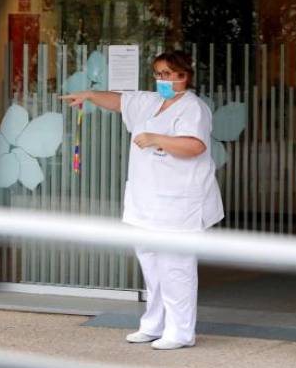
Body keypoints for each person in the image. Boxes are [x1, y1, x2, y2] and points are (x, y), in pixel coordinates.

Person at [60, 50, 224, 350]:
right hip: (145, 201)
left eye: (166, 74)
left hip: (179, 203)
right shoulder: (151, 101)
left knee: (176, 268)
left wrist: (157, 139)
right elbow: (120, 101)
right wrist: (89, 95)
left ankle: (180, 332)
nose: (160, 80)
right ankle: (153, 324)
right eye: (157, 74)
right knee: (150, 265)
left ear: (182, 77)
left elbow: (195, 146)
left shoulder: (193, 108)